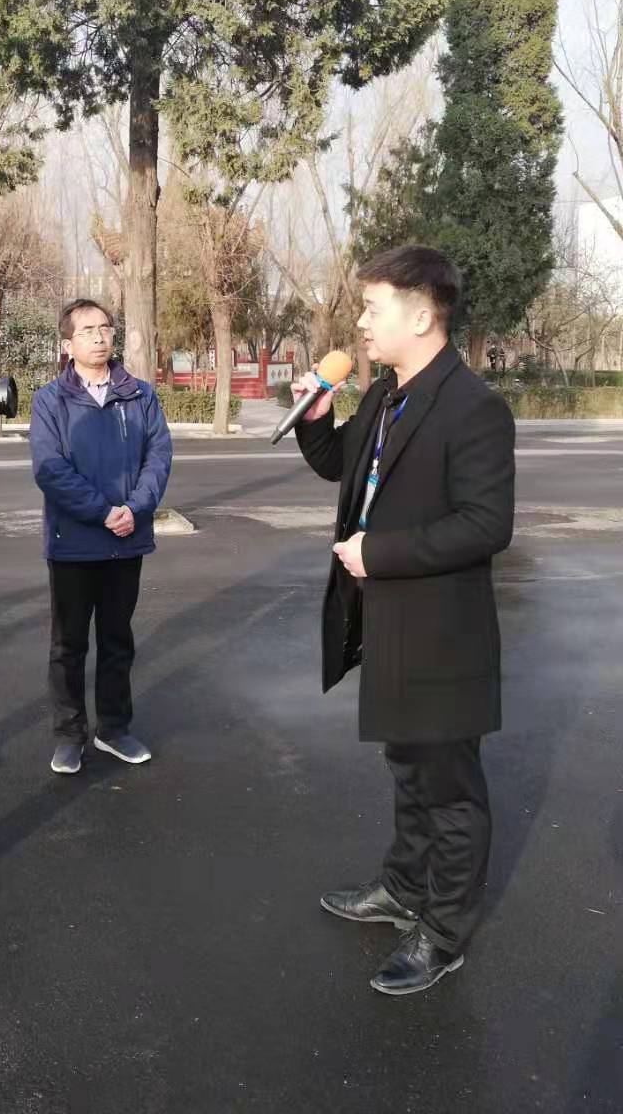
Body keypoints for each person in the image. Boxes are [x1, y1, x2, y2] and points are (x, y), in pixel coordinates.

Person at [292, 245, 515, 997]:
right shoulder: (389, 395)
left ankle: (444, 932)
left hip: (442, 635)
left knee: (449, 790)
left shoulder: (473, 407)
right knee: (407, 768)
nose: (360, 322)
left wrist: (377, 553)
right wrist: (316, 419)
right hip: (386, 622)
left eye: (372, 308)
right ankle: (402, 887)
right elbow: (346, 467)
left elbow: (485, 525)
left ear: (421, 317)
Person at [29, 298, 173, 775]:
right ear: (67, 344)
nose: (99, 336)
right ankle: (69, 735)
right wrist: (103, 511)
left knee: (117, 640)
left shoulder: (139, 395)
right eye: (87, 330)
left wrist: (135, 508)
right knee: (68, 646)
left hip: (126, 539)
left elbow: (158, 457)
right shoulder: (50, 400)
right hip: (73, 543)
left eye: (105, 328)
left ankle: (113, 729)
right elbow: (50, 470)